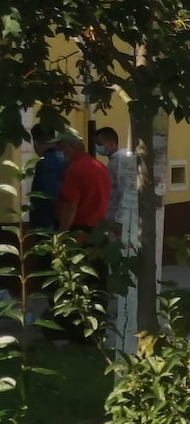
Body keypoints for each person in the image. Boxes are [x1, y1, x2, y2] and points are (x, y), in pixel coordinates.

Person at [53, 128, 111, 342]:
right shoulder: (98, 167)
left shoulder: (75, 169)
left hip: (80, 234)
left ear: (71, 146)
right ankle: (98, 329)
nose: (59, 151)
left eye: (60, 146)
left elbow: (70, 205)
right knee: (98, 283)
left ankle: (80, 332)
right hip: (99, 233)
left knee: (79, 282)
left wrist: (61, 235)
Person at [94, 126, 133, 231]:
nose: (97, 148)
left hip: (118, 219)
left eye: (100, 144)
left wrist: (119, 220)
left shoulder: (121, 160)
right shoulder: (114, 160)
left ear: (111, 143)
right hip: (112, 216)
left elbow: (124, 189)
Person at [28, 123, 65, 231]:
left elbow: (49, 195)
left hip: (47, 224)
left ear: (35, 143)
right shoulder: (64, 159)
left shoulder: (45, 163)